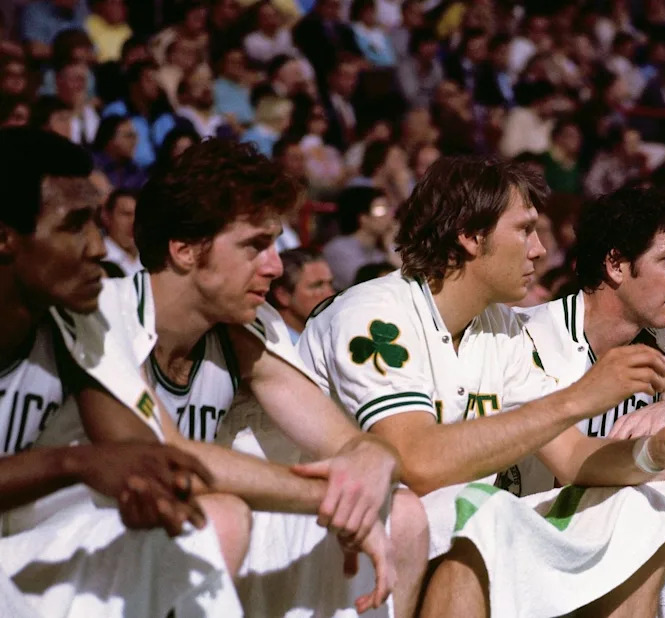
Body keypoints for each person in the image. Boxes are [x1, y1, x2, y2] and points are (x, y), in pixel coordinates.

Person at [298, 157, 665, 617]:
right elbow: (419, 463)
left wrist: (659, 452)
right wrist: (581, 397)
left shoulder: (499, 329)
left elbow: (572, 456)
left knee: (647, 519)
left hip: (451, 519)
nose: (540, 249)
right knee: (485, 516)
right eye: (526, 230)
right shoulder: (377, 313)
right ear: (472, 236)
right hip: (328, 525)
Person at [49, 139, 428, 617]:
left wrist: (371, 464)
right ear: (185, 249)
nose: (273, 266)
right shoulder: (106, 311)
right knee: (221, 518)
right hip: (68, 540)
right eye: (255, 245)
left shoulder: (249, 325)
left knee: (403, 514)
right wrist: (333, 497)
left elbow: (344, 440)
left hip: (171, 528)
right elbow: (170, 460)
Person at [0, 127, 246, 616]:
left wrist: (148, 488)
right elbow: (95, 459)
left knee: (183, 534)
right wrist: (74, 463)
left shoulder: (74, 318)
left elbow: (134, 450)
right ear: (6, 238)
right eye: (74, 225)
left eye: (96, 222)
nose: (98, 247)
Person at [323, 186, 400, 290]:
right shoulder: (338, 249)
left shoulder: (381, 248)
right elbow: (364, 283)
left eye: (389, 209)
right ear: (363, 218)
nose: (390, 216)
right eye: (381, 210)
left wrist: (390, 246)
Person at [267, 249, 335, 342]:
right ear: (283, 295)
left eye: (330, 284)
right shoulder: (272, 347)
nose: (330, 294)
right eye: (317, 286)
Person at [100, 188, 142, 276]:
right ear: (107, 217)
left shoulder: (150, 260)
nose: (133, 221)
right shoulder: (98, 259)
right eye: (126, 214)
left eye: (138, 215)